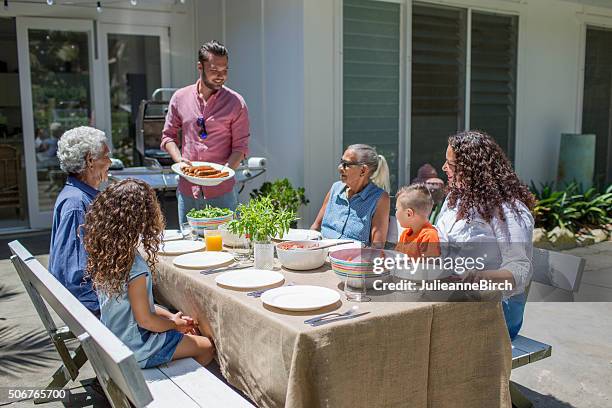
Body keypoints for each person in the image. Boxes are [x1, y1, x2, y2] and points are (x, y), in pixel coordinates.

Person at [84, 179, 215, 369]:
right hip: (137, 348)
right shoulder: (134, 266)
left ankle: (171, 368)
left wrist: (171, 318)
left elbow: (140, 306)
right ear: (143, 218)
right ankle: (174, 389)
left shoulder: (109, 254)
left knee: (189, 336)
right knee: (207, 347)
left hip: (116, 339)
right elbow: (145, 320)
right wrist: (175, 326)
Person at [435, 130, 536, 340]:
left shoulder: (508, 210)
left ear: (472, 169)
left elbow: (519, 271)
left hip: (496, 310)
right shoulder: (456, 199)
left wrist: (473, 278)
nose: (444, 168)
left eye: (451, 164)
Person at [161, 40, 250, 224]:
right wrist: (179, 160)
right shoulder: (180, 98)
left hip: (223, 193)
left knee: (227, 248)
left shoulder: (236, 103)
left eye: (225, 70)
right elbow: (167, 136)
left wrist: (224, 173)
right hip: (187, 191)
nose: (220, 76)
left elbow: (240, 147)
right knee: (189, 244)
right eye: (214, 70)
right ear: (200, 67)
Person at [49, 126, 112, 315]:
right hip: (92, 312)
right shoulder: (76, 204)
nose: (110, 162)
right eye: (106, 156)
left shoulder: (79, 195)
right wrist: (113, 310)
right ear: (90, 161)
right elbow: (75, 277)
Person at [311, 144, 390, 247]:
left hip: (350, 260)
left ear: (363, 170)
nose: (340, 168)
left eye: (346, 164)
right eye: (341, 162)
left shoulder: (379, 198)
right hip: (321, 254)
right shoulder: (335, 188)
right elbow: (315, 227)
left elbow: (377, 247)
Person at [394, 183, 440, 258]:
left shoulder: (429, 236)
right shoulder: (405, 234)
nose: (395, 213)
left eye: (397, 209)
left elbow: (430, 267)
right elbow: (396, 258)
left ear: (409, 214)